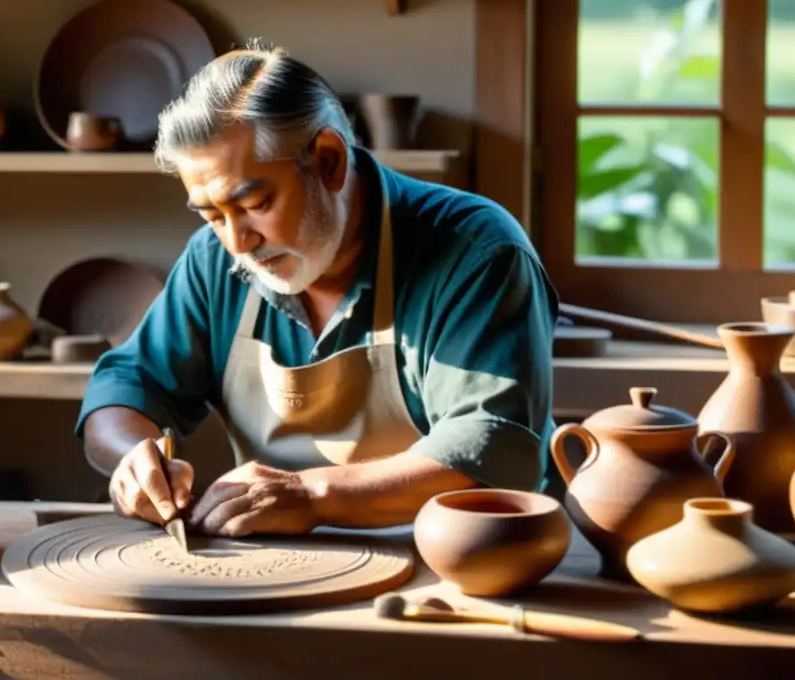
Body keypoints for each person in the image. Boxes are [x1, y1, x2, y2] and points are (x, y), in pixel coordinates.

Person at [75, 40, 560, 538]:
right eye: (213, 215)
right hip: (277, 566)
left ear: (329, 160)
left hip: (461, 560)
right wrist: (131, 457)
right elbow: (126, 385)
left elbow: (493, 450)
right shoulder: (214, 258)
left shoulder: (476, 251)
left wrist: (312, 495)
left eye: (255, 203)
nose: (238, 241)